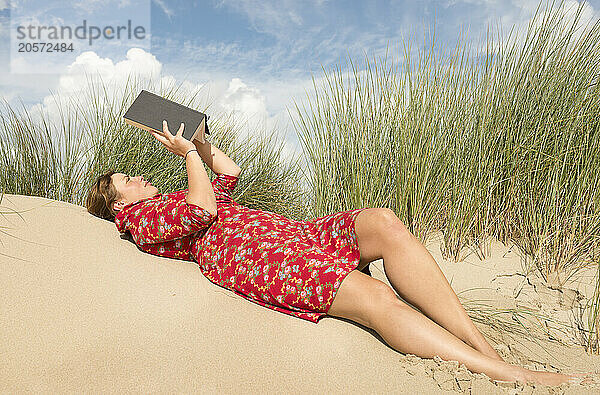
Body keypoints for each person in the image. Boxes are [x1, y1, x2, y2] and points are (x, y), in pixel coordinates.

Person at [86, 120, 589, 387]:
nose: (136, 176)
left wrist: (198, 140)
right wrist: (190, 157)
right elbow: (201, 210)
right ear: (117, 204)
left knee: (382, 222)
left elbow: (230, 173)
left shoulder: (166, 197)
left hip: (289, 234)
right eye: (124, 181)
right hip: (255, 259)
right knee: (370, 295)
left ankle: (481, 345)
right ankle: (511, 375)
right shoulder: (142, 222)